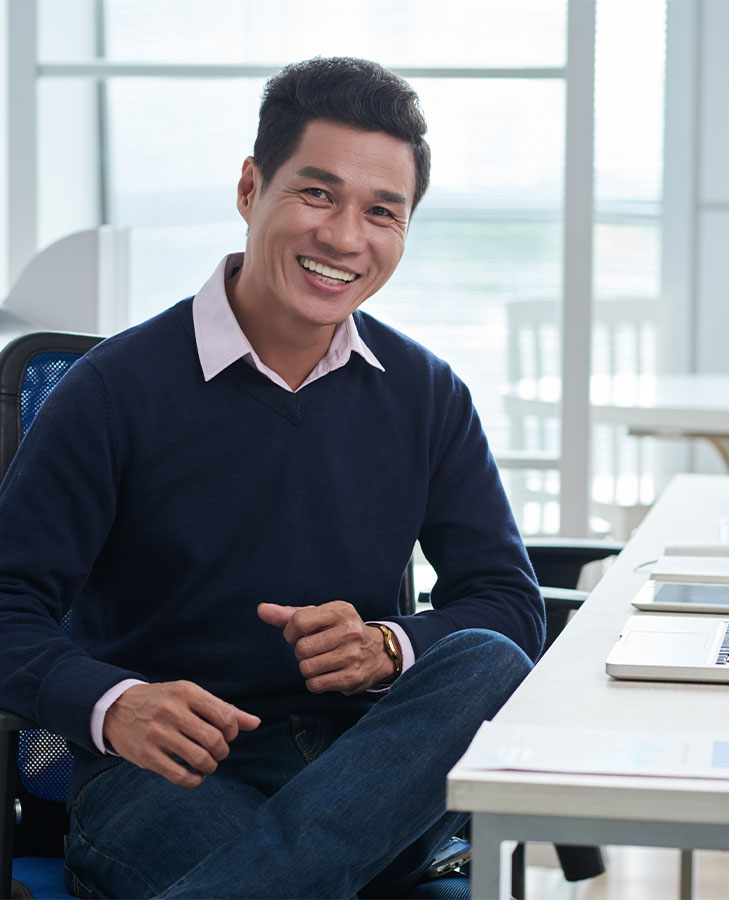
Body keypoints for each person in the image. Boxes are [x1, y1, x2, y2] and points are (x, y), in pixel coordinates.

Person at [0, 56, 544, 899]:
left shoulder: (426, 394)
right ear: (252, 189)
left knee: (483, 656)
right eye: (317, 194)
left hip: (369, 764)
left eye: (382, 212)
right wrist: (116, 703)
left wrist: (385, 647)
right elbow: (7, 603)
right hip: (167, 777)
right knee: (315, 865)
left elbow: (508, 605)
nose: (344, 238)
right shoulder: (111, 389)